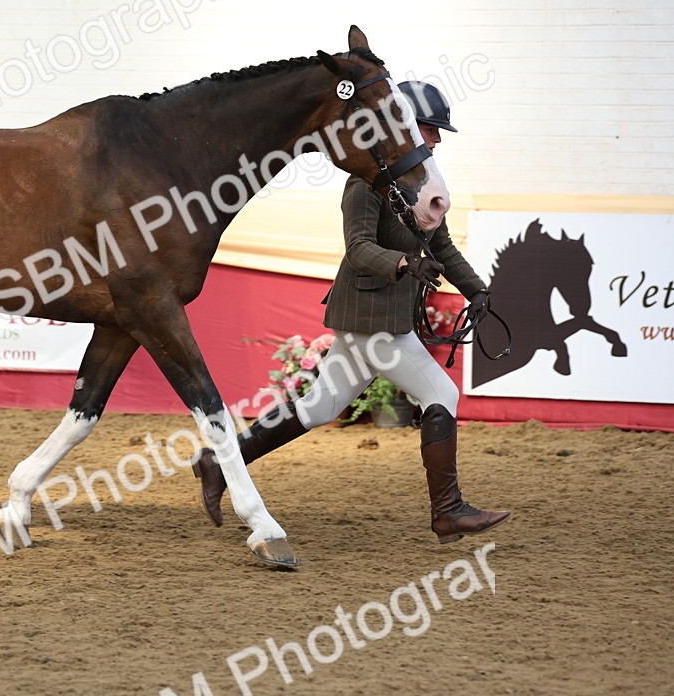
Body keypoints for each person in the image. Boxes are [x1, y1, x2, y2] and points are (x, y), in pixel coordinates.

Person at [193, 81, 511, 545]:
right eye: (432, 129)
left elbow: (440, 245)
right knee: (441, 392)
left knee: (318, 407)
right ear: (405, 126)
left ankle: (219, 463)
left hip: (381, 318)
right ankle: (448, 512)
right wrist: (404, 262)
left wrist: (477, 291)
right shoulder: (364, 182)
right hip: (368, 315)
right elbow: (358, 249)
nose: (438, 139)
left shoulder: (422, 187)